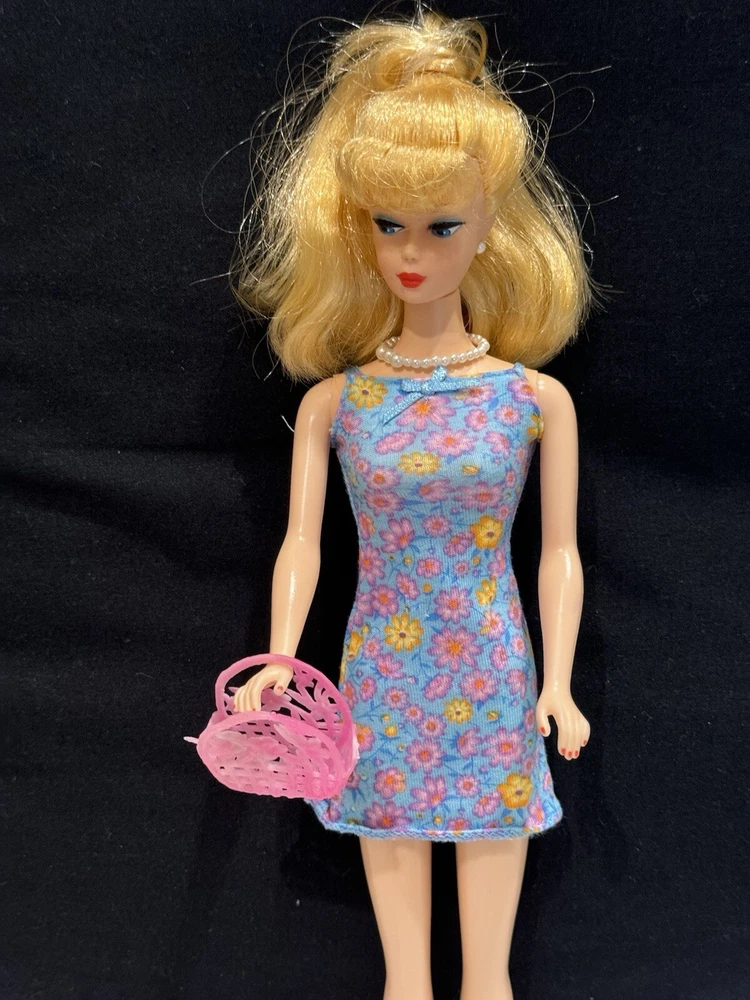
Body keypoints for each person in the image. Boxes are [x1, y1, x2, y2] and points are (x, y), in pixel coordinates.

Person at [230, 7, 594, 999]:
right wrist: (281, 655)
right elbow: (302, 542)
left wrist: (559, 683)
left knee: (489, 969)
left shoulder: (533, 400)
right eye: (389, 224)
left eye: (441, 226)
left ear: (489, 228)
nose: (411, 252)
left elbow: (558, 552)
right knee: (404, 971)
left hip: (494, 662)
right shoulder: (337, 404)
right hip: (382, 668)